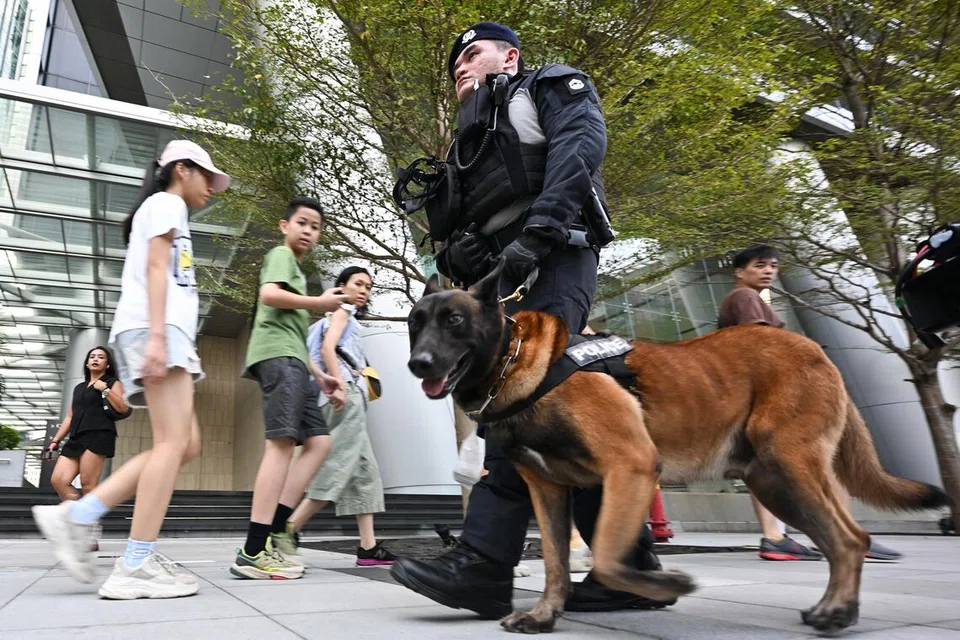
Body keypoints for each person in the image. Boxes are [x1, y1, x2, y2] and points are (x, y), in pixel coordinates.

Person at [390, 22, 672, 618]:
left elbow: (579, 151)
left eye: (472, 54)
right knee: (557, 414)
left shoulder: (550, 86)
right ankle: (630, 568)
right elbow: (462, 236)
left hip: (555, 258)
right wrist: (457, 253)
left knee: (519, 405)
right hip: (502, 284)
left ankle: (484, 564)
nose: (461, 68)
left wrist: (538, 233)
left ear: (509, 56)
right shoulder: (467, 142)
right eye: (455, 65)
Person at [32, 139, 230, 599]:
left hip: (160, 330)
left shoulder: (165, 207)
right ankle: (132, 562)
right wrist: (159, 337)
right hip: (153, 329)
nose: (211, 189)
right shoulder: (166, 203)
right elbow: (157, 269)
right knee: (173, 443)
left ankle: (80, 516)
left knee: (185, 444)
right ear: (182, 169)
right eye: (207, 177)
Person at [718, 244, 902, 562]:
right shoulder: (744, 297)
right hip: (771, 394)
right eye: (760, 265)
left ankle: (775, 538)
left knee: (759, 468)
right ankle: (846, 533)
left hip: (748, 395)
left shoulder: (744, 299)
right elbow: (763, 345)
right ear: (740, 271)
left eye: (773, 266)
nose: (769, 271)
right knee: (823, 462)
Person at [231, 197, 359, 580]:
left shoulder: (299, 273)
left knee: (319, 442)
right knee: (282, 444)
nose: (308, 230)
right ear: (284, 226)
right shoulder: (280, 255)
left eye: (315, 226)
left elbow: (293, 333)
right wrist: (319, 302)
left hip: (293, 361)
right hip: (277, 359)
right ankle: (253, 549)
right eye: (302, 222)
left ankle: (276, 529)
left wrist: (320, 376)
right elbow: (269, 294)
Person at [281, 266, 397, 566]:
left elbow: (313, 352)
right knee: (339, 463)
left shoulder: (327, 319)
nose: (363, 290)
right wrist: (341, 385)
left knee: (364, 473)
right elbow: (328, 348)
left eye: (368, 287)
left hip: (336, 396)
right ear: (341, 286)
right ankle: (288, 529)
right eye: (358, 284)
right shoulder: (342, 310)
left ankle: (368, 548)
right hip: (345, 397)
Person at [47, 346, 131, 551]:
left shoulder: (112, 382)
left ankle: (89, 530)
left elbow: (123, 407)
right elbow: (70, 417)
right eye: (92, 356)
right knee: (58, 480)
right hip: (76, 437)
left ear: (107, 364)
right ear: (86, 362)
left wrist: (105, 390)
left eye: (101, 357)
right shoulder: (79, 388)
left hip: (99, 434)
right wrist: (55, 440)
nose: (95, 359)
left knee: (87, 484)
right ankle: (80, 520)